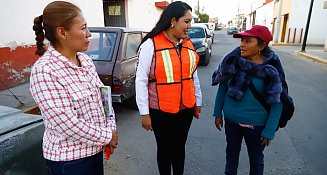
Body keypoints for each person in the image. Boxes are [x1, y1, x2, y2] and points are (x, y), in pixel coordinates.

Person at [30, 1, 118, 175]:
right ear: (62, 32)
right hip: (69, 162)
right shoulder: (45, 71)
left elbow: (104, 97)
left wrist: (111, 128)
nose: (89, 34)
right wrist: (108, 136)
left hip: (94, 151)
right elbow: (67, 124)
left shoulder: (85, 61)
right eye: (83, 28)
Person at [135, 1, 202, 174]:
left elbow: (193, 75)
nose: (189, 26)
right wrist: (145, 113)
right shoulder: (150, 45)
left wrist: (198, 101)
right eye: (186, 21)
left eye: (190, 21)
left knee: (179, 148)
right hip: (160, 111)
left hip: (185, 108)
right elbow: (141, 80)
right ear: (173, 21)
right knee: (165, 149)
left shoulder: (188, 44)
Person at [212, 25, 284, 175]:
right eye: (242, 40)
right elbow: (223, 88)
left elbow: (277, 103)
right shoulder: (233, 62)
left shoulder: (271, 72)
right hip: (232, 122)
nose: (242, 45)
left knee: (256, 158)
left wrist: (269, 130)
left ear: (262, 46)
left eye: (248, 41)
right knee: (231, 154)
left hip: (257, 126)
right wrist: (217, 113)